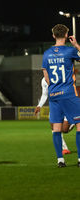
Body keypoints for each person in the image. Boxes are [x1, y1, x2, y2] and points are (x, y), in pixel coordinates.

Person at [42, 24, 80, 167]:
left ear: (53, 36)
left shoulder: (46, 53)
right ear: (66, 35)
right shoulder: (70, 51)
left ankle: (60, 160)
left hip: (54, 95)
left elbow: (46, 77)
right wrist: (76, 45)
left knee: (56, 129)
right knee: (79, 126)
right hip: (69, 94)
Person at [34, 77, 74, 155]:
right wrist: (39, 105)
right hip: (54, 106)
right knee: (54, 128)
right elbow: (45, 94)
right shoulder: (44, 80)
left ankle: (74, 121)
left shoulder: (61, 76)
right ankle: (64, 148)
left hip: (66, 105)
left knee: (65, 130)